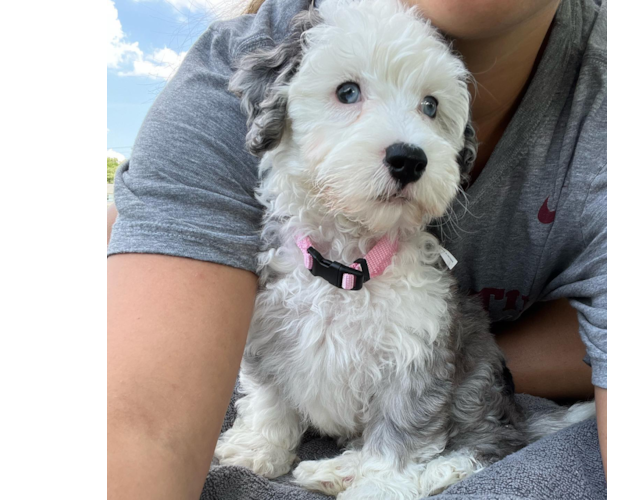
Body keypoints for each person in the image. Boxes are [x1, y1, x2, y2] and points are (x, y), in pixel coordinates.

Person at [106, 0, 607, 499]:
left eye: (430, 108)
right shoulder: (234, 77)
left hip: (452, 426)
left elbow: (420, 385)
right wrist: (267, 431)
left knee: (423, 381)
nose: (406, 140)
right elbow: (149, 420)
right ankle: (272, 433)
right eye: (348, 93)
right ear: (277, 105)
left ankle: (403, 462)